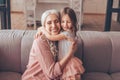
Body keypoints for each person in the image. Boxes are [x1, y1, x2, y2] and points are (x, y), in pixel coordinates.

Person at [22, 9, 77, 80]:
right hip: (35, 78)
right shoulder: (40, 41)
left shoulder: (60, 38)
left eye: (56, 21)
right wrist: (70, 54)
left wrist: (41, 29)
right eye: (49, 23)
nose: (54, 26)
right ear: (44, 25)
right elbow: (52, 73)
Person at [37, 7, 85, 80]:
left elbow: (50, 37)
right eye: (63, 21)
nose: (65, 25)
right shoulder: (61, 32)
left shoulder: (67, 33)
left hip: (68, 62)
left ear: (73, 22)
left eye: (68, 22)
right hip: (63, 62)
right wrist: (40, 29)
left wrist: (42, 29)